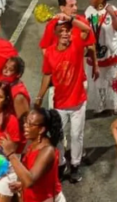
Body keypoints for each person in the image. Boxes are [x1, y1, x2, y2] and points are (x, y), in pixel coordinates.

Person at [37, 18, 95, 184]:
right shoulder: (49, 53)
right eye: (61, 30)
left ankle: (75, 165)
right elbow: (47, 75)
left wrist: (70, 19)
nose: (65, 33)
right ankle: (61, 163)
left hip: (78, 102)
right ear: (55, 34)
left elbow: (86, 30)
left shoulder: (76, 45)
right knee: (58, 135)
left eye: (67, 30)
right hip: (60, 103)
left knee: (76, 135)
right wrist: (39, 97)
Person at [0, 106, 64, 202]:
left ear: (41, 129)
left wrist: (11, 154)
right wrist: (21, 184)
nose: (25, 125)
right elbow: (39, 176)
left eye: (30, 124)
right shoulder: (32, 144)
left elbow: (30, 181)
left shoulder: (47, 150)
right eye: (26, 121)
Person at [85, 0, 117, 114]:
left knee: (113, 79)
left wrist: (113, 15)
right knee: (98, 81)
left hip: (110, 53)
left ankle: (116, 103)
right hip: (95, 53)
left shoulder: (113, 10)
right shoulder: (89, 11)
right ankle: (100, 103)